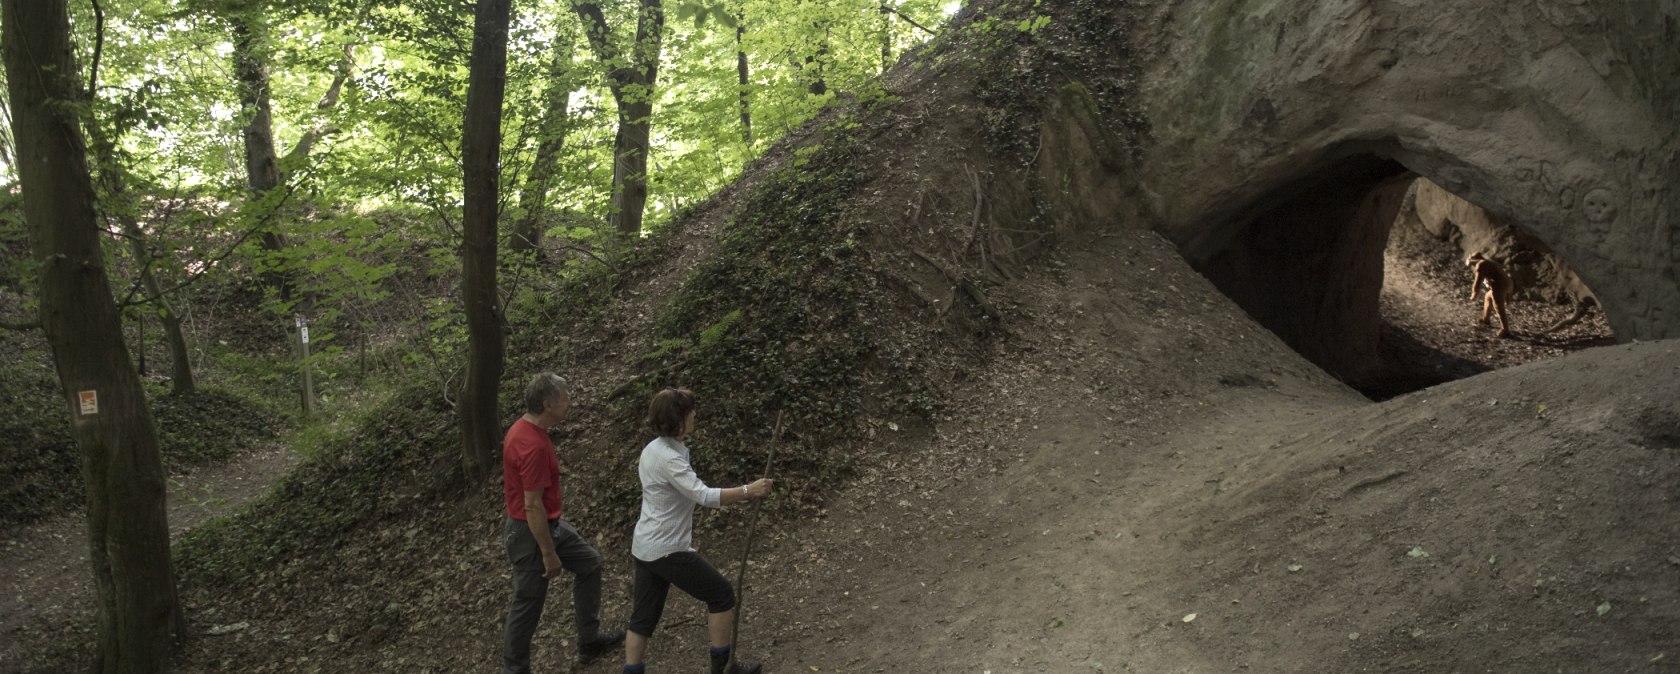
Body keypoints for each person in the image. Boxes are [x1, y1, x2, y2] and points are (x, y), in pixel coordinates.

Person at [623, 388, 774, 674]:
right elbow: (703, 496)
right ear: (678, 418)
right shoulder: (668, 457)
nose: (695, 415)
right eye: (690, 411)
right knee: (721, 595)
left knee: (642, 619)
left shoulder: (654, 449)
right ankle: (723, 668)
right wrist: (748, 490)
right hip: (667, 549)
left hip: (645, 547)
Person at [502, 373, 625, 673]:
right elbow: (532, 506)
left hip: (548, 525)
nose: (569, 401)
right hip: (532, 533)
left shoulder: (526, 428)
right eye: (564, 397)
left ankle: (589, 641)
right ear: (547, 404)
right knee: (527, 605)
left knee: (590, 563)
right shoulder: (532, 446)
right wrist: (547, 552)